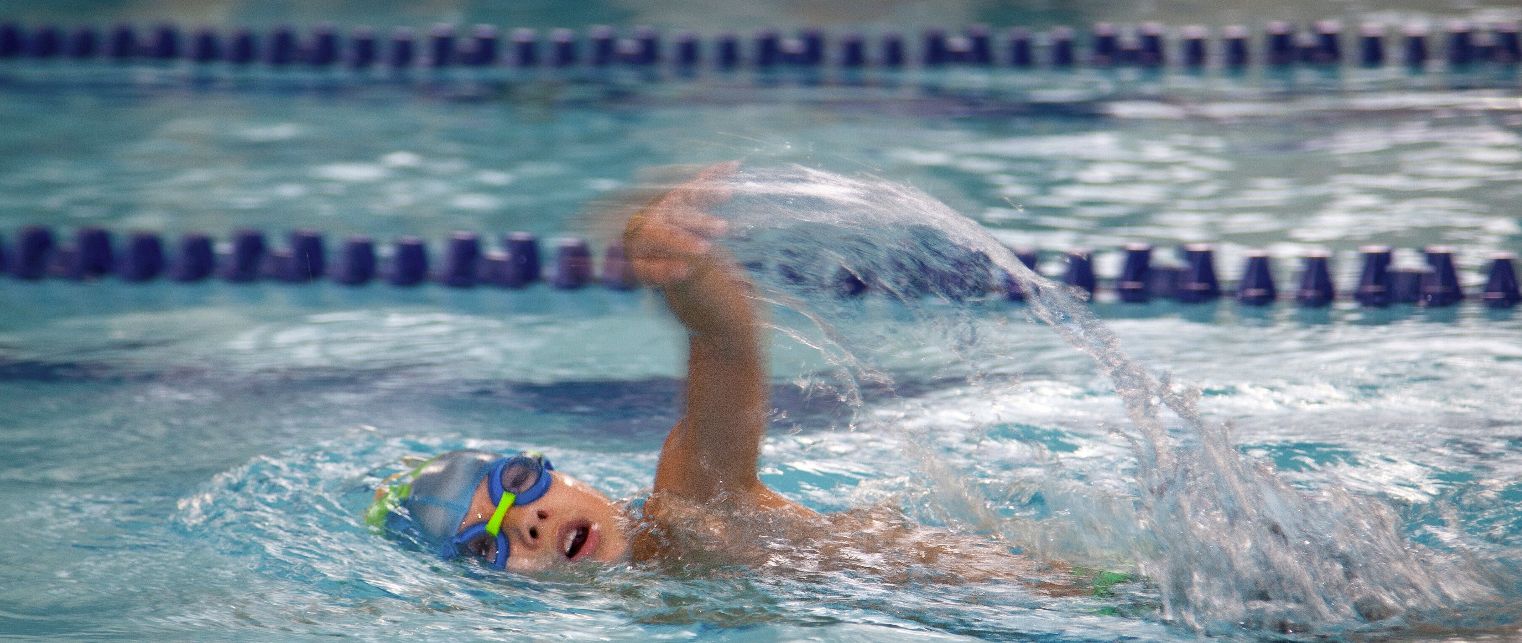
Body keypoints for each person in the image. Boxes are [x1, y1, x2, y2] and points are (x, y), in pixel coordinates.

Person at [369, 163, 1085, 593]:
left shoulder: (691, 500)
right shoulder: (653, 605)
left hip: (1059, 598)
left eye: (517, 483)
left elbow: (727, 341)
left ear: (563, 474)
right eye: (485, 547)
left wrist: (683, 271)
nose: (527, 523)